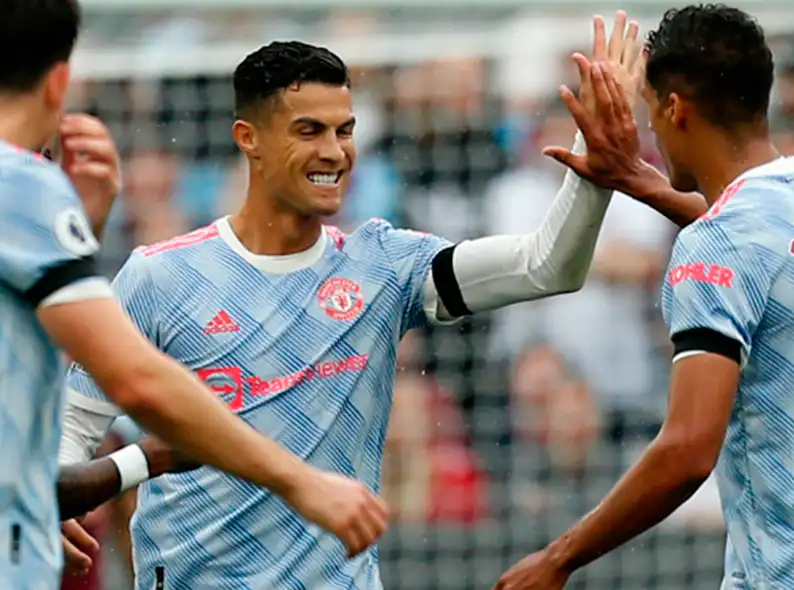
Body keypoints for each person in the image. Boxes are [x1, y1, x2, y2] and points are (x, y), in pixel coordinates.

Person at [55, 13, 663, 587]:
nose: (335, 152)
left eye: (344, 130)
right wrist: (59, 499)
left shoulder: (384, 265)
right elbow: (77, 420)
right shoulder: (161, 276)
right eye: (308, 131)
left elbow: (545, 266)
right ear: (249, 139)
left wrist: (592, 168)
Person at [493, 5, 794, 590]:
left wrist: (559, 558)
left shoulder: (713, 249)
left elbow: (688, 451)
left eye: (650, 111)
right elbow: (762, 241)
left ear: (675, 109)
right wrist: (638, 181)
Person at [0, 1, 394, 587]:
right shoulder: (22, 186)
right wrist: (299, 480)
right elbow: (139, 381)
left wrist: (82, 234)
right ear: (61, 80)